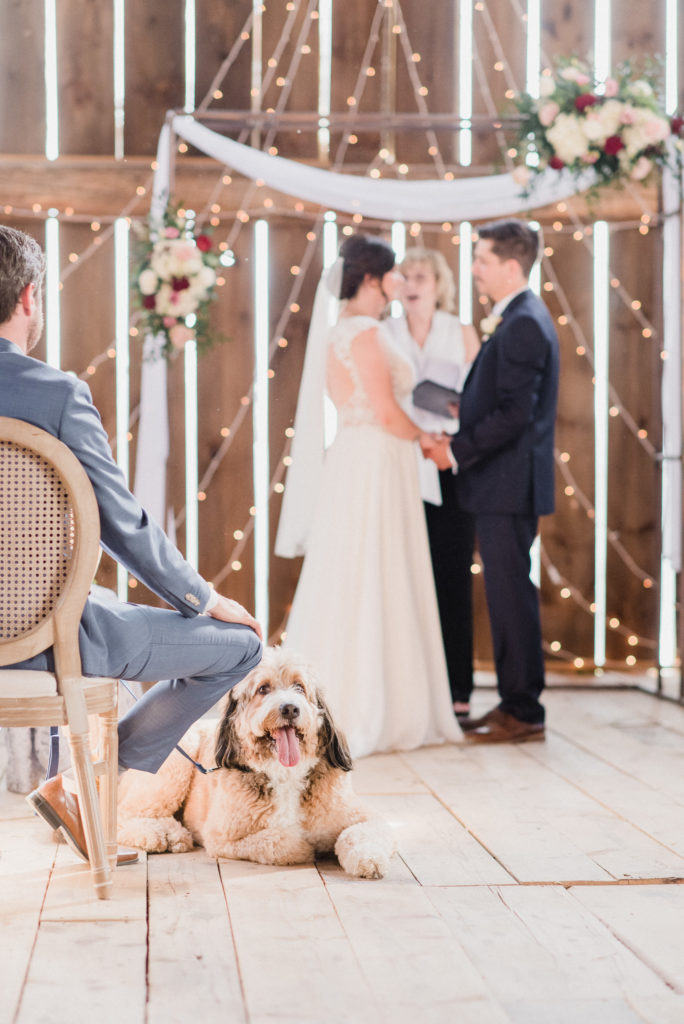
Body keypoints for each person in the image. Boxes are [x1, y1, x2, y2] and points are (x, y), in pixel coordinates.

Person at [0, 225, 263, 863]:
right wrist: (202, 597)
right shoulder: (57, 396)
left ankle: (78, 789)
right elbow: (121, 524)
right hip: (49, 639)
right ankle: (83, 788)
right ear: (30, 297)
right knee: (241, 647)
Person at [276, 234, 460, 758]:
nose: (400, 282)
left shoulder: (342, 331)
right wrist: (427, 439)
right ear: (376, 279)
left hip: (361, 460)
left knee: (357, 569)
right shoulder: (367, 334)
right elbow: (384, 410)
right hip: (377, 459)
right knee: (379, 569)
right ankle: (373, 704)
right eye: (394, 274)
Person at [423, 219, 559, 744]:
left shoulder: (523, 320)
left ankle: (523, 710)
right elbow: (504, 402)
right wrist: (464, 409)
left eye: (480, 260)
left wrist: (454, 449)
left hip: (507, 484)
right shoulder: (519, 317)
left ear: (510, 265)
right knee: (506, 595)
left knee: (510, 596)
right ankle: (513, 704)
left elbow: (514, 415)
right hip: (503, 482)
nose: (474, 270)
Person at [385, 247, 479, 721]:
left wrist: (453, 419)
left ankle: (459, 688)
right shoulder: (386, 332)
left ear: (439, 283)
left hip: (450, 465)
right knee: (401, 579)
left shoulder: (460, 331)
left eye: (422, 274)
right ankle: (409, 691)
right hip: (402, 464)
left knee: (452, 579)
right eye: (404, 276)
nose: (412, 283)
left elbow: (481, 395)